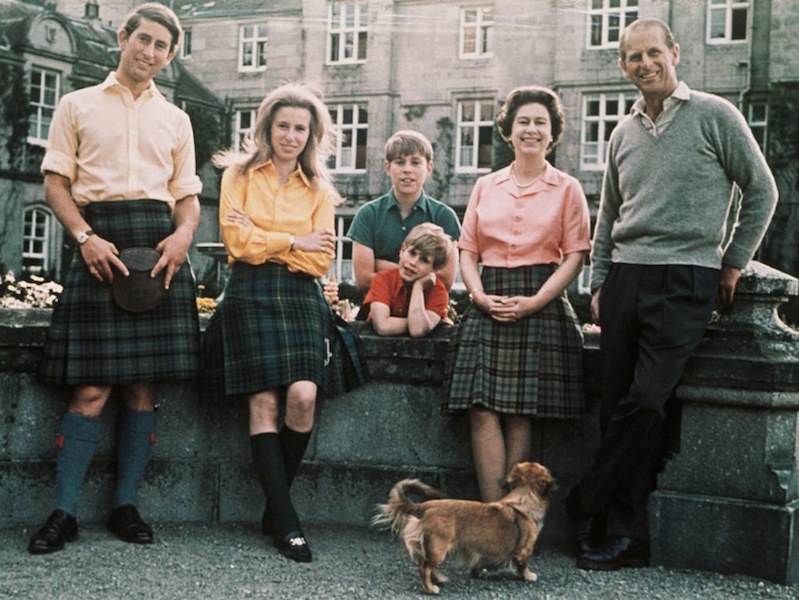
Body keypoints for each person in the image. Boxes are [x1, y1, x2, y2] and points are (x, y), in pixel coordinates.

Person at [566, 18, 778, 571]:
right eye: (633, 57)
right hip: (626, 280)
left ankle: (588, 502)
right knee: (617, 408)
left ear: (675, 53)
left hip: (687, 278)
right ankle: (620, 533)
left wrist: (731, 261)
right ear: (622, 65)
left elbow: (762, 190)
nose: (644, 65)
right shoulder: (622, 131)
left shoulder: (715, 115)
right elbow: (609, 213)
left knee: (647, 399)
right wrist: (600, 278)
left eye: (653, 53)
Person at [28, 3, 202, 554]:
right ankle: (64, 512)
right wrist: (84, 237)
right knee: (92, 388)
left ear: (170, 56)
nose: (149, 53)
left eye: (161, 47)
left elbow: (188, 198)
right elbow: (56, 183)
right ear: (122, 38)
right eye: (142, 40)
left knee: (142, 389)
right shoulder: (76, 104)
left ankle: (126, 505)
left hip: (157, 250)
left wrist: (181, 237)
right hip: (99, 244)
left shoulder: (176, 118)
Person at [201, 82, 338, 563]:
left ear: (311, 134)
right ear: (266, 127)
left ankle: (274, 509)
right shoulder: (237, 174)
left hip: (300, 296)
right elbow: (235, 244)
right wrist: (295, 242)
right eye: (283, 125)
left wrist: (272, 241)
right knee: (263, 401)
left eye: (301, 128)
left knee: (303, 397)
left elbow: (321, 262)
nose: (291, 135)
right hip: (249, 292)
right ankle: (288, 522)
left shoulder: (320, 188)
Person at [442, 86, 591, 503]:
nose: (531, 129)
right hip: (488, 298)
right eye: (523, 121)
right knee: (481, 407)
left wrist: (534, 302)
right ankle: (493, 520)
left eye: (540, 122)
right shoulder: (486, 186)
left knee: (521, 412)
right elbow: (468, 249)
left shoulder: (567, 189)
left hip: (538, 299)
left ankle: (514, 523)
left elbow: (576, 255)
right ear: (509, 131)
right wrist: (477, 295)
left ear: (553, 133)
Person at [347, 130, 461, 293]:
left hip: (427, 312)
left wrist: (382, 265)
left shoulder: (444, 216)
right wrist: (423, 274)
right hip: (378, 310)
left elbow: (445, 282)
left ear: (429, 168)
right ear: (387, 167)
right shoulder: (368, 215)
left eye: (415, 162)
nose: (407, 170)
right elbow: (364, 279)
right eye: (400, 162)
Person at [362, 222, 451, 337]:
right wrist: (418, 322)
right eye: (412, 253)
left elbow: (417, 330)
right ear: (402, 250)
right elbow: (382, 326)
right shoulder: (383, 279)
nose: (413, 263)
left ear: (435, 268)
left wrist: (418, 287)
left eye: (424, 260)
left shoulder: (438, 291)